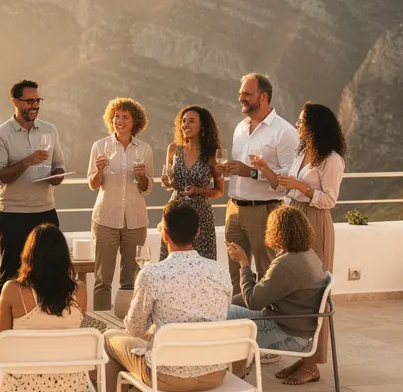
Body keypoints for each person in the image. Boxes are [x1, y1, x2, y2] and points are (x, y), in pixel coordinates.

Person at [83, 204, 232, 392]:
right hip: (215, 374)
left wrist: (153, 330)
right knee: (191, 338)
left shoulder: (152, 274)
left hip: (166, 377)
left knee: (109, 340)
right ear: (197, 233)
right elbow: (215, 316)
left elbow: (133, 328)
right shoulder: (220, 271)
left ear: (164, 234)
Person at [252, 102, 345, 380]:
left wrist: (300, 187)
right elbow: (282, 186)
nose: (297, 125)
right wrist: (266, 169)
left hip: (315, 221)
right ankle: (302, 354)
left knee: (313, 293)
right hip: (293, 221)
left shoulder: (331, 159)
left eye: (302, 122)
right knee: (294, 290)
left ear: (316, 126)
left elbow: (329, 199)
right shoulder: (303, 152)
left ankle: (312, 363)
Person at [0, 224, 89, 392]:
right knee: (47, 367)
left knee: (15, 367)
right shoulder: (81, 291)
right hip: (67, 385)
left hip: (21, 387)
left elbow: (1, 345)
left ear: (29, 255)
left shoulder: (12, 290)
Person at [226, 206, 329, 385]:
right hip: (301, 330)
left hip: (287, 335)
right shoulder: (308, 255)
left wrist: (243, 262)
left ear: (277, 231)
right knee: (231, 303)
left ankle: (231, 375)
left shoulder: (285, 264)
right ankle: (237, 369)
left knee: (221, 315)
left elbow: (253, 301)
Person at [216, 73, 298, 294]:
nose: (241, 98)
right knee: (236, 274)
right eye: (240, 94)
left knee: (266, 272)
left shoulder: (285, 132)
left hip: (264, 211)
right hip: (233, 209)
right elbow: (240, 169)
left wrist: (251, 172)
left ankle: (265, 323)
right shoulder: (240, 128)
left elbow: (288, 179)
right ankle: (240, 320)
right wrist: (228, 169)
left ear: (263, 97)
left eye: (247, 94)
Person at [0, 80, 66, 301]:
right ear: (15, 101)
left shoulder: (50, 130)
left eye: (37, 100)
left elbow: (58, 162)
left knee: (51, 271)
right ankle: (4, 327)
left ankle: (47, 320)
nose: (34, 105)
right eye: (29, 101)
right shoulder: (1, 135)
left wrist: (58, 175)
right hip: (14, 215)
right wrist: (27, 162)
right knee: (12, 274)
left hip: (46, 212)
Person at [87, 97, 153, 311]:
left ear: (135, 122)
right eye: (117, 116)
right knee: (102, 280)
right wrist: (99, 171)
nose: (120, 120)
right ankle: (101, 326)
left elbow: (146, 188)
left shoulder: (145, 150)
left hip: (135, 221)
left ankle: (127, 324)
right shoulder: (100, 146)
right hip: (105, 219)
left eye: (125, 117)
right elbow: (93, 184)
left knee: (131, 280)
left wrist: (143, 176)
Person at [158, 105, 224, 261]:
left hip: (201, 215)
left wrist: (198, 191)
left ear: (202, 126)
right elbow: (169, 180)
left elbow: (219, 191)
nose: (185, 125)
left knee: (203, 261)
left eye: (191, 121)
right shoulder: (173, 149)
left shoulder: (213, 154)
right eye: (183, 121)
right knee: (171, 261)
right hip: (175, 211)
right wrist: (167, 182)